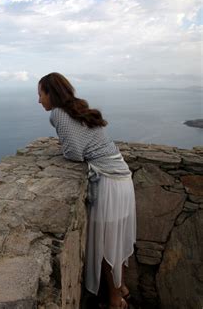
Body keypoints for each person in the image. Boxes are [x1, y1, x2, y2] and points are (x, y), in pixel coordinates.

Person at [37, 72, 136, 309]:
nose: (39, 100)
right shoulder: (78, 109)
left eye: (40, 94)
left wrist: (62, 150)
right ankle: (121, 288)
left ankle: (115, 302)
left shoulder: (58, 114)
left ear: (51, 93)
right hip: (122, 177)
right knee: (117, 240)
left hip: (108, 183)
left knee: (105, 244)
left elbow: (74, 153)